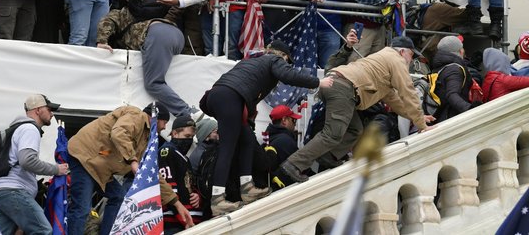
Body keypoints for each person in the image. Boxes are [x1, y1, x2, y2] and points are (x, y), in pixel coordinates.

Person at [199, 40, 333, 214]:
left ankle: (247, 188)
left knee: (247, 139)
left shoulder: (249, 61)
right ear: (282, 56)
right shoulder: (273, 60)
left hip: (220, 97)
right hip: (229, 98)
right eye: (287, 61)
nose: (286, 65)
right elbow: (289, 76)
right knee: (227, 148)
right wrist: (318, 82)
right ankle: (217, 199)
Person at [281, 36, 435, 183]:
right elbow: (408, 92)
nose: (411, 59)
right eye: (411, 54)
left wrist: (418, 118)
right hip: (343, 88)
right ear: (402, 51)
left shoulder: (383, 61)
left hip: (340, 86)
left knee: (355, 129)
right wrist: (421, 125)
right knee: (332, 134)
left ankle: (329, 157)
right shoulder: (396, 59)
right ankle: (294, 164)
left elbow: (394, 101)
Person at [98, 0, 196, 118]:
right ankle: (188, 114)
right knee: (155, 82)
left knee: (153, 83)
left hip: (162, 28)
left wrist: (166, 19)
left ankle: (188, 114)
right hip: (154, 29)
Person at [66, 103, 194, 235]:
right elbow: (119, 133)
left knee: (118, 197)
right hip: (85, 158)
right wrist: (133, 161)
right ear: (156, 118)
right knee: (81, 208)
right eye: (165, 122)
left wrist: (177, 203)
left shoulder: (143, 139)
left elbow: (152, 173)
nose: (165, 127)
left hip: (100, 166)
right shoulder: (136, 115)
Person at [0, 94, 68, 235]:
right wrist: (56, 170)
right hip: (13, 191)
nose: (52, 113)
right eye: (48, 109)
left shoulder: (16, 129)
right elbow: (27, 160)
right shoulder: (30, 129)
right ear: (37, 110)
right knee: (43, 230)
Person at [158, 116, 203, 233]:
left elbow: (188, 184)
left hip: (189, 220)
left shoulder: (184, 157)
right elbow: (168, 189)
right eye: (187, 136)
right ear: (174, 134)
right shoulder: (167, 152)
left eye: (192, 137)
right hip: (177, 222)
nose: (189, 141)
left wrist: (196, 196)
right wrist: (183, 219)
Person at [430, 35, 480, 123]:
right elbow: (452, 94)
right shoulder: (454, 69)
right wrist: (470, 109)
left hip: (441, 116)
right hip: (451, 118)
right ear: (460, 51)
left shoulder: (440, 67)